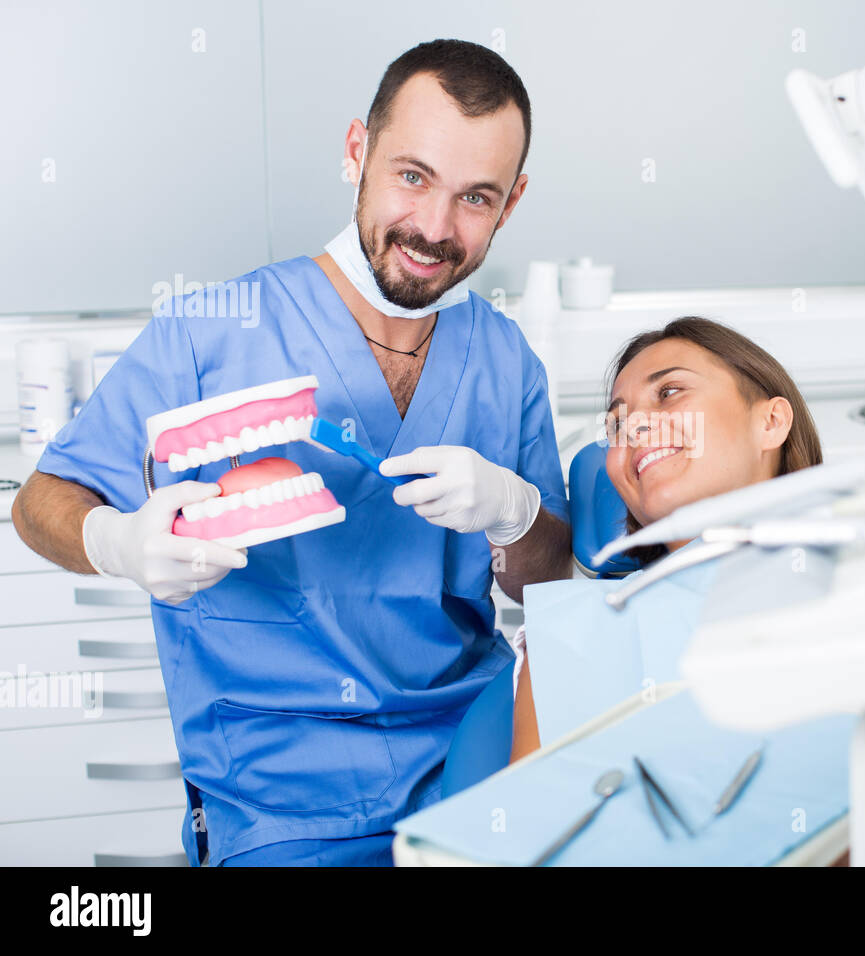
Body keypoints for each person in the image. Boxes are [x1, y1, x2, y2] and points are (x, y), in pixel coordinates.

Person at [11, 39, 571, 867]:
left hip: (478, 765)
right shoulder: (213, 328)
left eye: (475, 198)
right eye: (411, 176)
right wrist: (117, 543)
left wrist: (516, 514)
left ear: (511, 202)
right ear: (357, 152)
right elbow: (39, 501)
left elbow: (550, 581)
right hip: (283, 801)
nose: (434, 228)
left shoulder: (505, 359)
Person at [510, 317, 865, 867]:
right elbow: (523, 845)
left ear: (771, 422)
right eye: (617, 423)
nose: (634, 427)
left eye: (670, 394)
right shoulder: (573, 636)